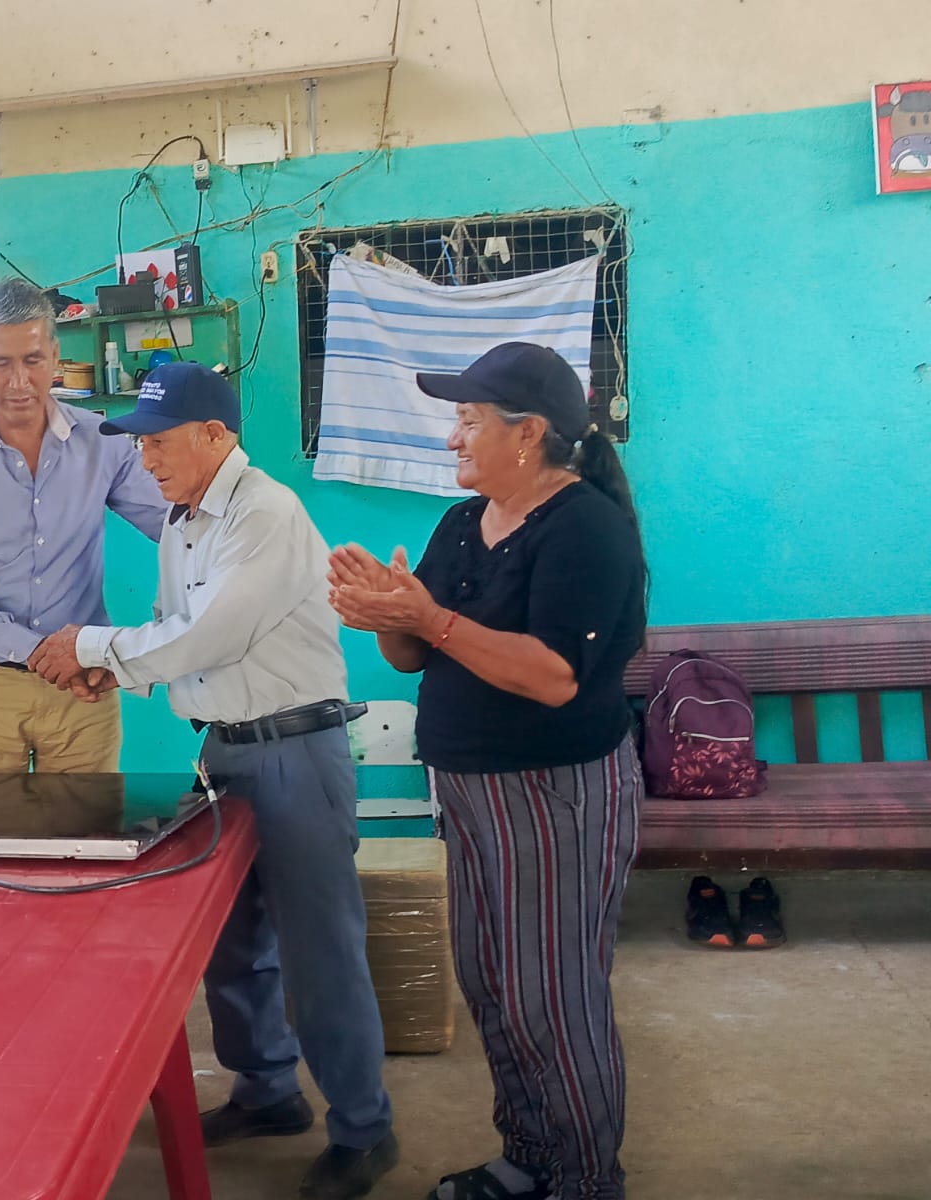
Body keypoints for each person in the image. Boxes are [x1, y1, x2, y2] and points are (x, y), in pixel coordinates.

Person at [30, 362, 397, 1200]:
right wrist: (113, 671)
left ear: (215, 435)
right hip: (226, 753)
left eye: (159, 442)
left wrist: (90, 648)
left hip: (295, 754)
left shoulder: (266, 512)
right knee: (232, 943)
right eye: (140, 444)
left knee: (320, 953)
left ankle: (363, 1129)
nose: (146, 458)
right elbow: (176, 630)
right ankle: (267, 1092)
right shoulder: (181, 521)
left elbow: (209, 638)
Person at [327, 342, 647, 1200]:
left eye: (468, 422)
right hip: (467, 790)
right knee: (494, 984)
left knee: (554, 997)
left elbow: (553, 676)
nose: (452, 439)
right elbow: (413, 655)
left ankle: (584, 1180)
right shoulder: (464, 523)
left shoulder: (584, 529)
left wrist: (428, 618)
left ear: (528, 432)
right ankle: (529, 1158)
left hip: (555, 794)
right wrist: (386, 612)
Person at [0, 278, 167, 773]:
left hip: (82, 690)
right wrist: (40, 650)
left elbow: (176, 527)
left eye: (32, 360)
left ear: (55, 355)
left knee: (87, 823)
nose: (18, 381)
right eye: (0, 363)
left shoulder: (103, 441)